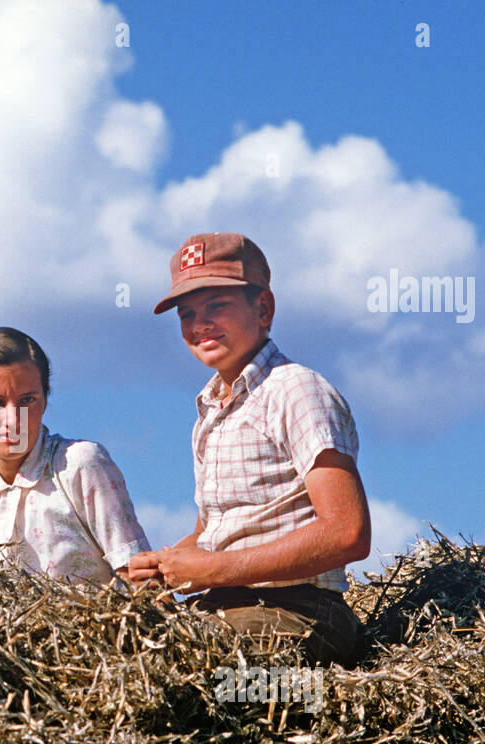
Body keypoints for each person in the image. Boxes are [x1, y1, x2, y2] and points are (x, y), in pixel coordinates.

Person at [127, 233, 372, 666]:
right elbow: (214, 531)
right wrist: (164, 565)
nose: (200, 324)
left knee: (193, 679)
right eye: (187, 314)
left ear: (263, 309)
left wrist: (210, 571)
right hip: (223, 609)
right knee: (116, 654)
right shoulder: (208, 410)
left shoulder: (296, 389)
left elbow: (348, 532)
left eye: (217, 306)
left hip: (296, 612)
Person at [0, 327, 150, 585]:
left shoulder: (80, 465)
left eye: (27, 400)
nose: (12, 419)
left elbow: (137, 575)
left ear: (45, 399)